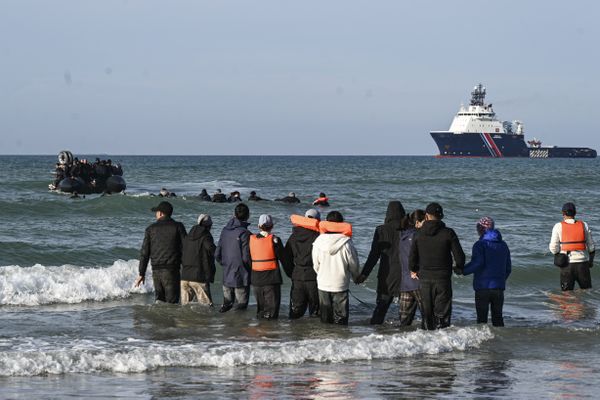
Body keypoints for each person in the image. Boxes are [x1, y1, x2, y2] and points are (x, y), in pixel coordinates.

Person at [409, 202, 465, 330]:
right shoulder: (448, 233)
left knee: (427, 315)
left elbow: (412, 259)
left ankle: (427, 344)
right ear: (441, 217)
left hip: (424, 278)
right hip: (443, 279)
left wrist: (414, 269)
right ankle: (442, 344)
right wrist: (458, 267)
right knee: (443, 316)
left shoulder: (418, 234)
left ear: (427, 216)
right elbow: (460, 257)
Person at [355, 201, 407, 324]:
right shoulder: (408, 230)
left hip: (386, 276)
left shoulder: (381, 230)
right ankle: (405, 336)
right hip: (405, 276)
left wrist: (364, 274)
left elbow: (373, 256)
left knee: (381, 308)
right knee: (405, 313)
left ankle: (375, 334)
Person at [312, 211, 360, 325]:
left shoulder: (318, 241)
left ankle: (326, 340)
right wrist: (356, 277)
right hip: (340, 284)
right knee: (341, 318)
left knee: (325, 318)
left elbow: (316, 265)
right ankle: (340, 340)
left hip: (323, 283)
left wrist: (322, 275)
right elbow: (354, 265)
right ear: (341, 224)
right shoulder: (347, 243)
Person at [462, 216, 511, 327]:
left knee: (482, 320)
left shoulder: (479, 245)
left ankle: (484, 342)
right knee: (498, 318)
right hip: (498, 287)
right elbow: (508, 268)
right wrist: (501, 280)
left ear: (481, 229)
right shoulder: (503, 245)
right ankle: (500, 341)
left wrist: (463, 271)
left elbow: (478, 263)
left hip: (482, 287)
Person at [135, 201, 187, 303]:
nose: (156, 214)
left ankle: (160, 319)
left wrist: (141, 273)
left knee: (159, 302)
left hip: (156, 272)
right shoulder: (178, 226)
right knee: (172, 303)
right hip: (172, 271)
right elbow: (186, 247)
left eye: (157, 212)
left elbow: (144, 253)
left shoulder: (150, 229)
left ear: (161, 213)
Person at [284, 209, 322, 318]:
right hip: (314, 277)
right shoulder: (318, 236)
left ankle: (294, 334)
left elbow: (286, 257)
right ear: (317, 221)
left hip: (297, 276)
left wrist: (292, 273)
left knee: (295, 312)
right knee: (315, 313)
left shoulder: (294, 236)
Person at [549, 202, 595, 291]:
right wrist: (591, 262)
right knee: (586, 292)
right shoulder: (584, 225)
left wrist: (558, 254)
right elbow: (591, 247)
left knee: (567, 295)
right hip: (583, 264)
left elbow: (553, 248)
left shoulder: (558, 226)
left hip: (567, 266)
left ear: (563, 213)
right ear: (575, 213)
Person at [215, 203, 252, 312]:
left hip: (227, 275)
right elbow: (246, 258)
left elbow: (217, 254)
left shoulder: (224, 230)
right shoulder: (245, 233)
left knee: (226, 308)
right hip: (241, 276)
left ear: (234, 214)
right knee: (239, 310)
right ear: (248, 216)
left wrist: (226, 264)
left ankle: (225, 328)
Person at [250, 214, 287, 319]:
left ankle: (260, 332)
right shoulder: (275, 240)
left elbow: (248, 259)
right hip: (271, 279)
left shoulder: (251, 240)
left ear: (258, 226)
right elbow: (283, 258)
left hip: (256, 279)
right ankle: (270, 333)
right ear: (272, 226)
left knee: (261, 310)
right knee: (272, 312)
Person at [181, 214, 216, 306]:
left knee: (185, 309)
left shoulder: (188, 237)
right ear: (209, 226)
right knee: (207, 307)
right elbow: (211, 249)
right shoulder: (206, 236)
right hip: (199, 277)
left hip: (185, 276)